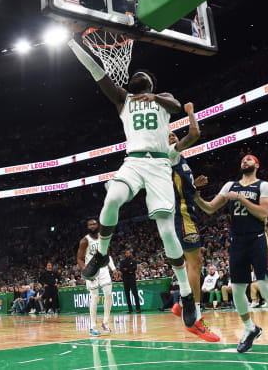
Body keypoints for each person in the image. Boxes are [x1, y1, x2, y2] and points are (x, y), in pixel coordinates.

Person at [67, 37, 196, 331]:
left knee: (166, 231)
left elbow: (176, 105)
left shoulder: (162, 98)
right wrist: (72, 44)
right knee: (111, 199)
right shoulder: (123, 100)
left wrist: (156, 98)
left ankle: (187, 296)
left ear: (149, 83)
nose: (137, 74)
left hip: (160, 164)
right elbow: (97, 72)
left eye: (143, 75)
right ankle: (102, 254)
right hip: (134, 161)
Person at [195, 155, 268, 356]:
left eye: (249, 159)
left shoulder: (264, 186)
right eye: (242, 159)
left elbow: (263, 213)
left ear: (257, 165)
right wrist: (196, 195)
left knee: (266, 286)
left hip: (258, 239)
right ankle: (250, 328)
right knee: (237, 289)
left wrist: (241, 198)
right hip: (238, 242)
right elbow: (210, 208)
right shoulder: (229, 185)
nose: (244, 161)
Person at [166, 106, 220, 341]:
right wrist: (190, 112)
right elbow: (195, 134)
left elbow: (180, 189)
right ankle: (195, 317)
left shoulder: (181, 161)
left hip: (186, 214)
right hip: (183, 216)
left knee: (192, 264)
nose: (172, 137)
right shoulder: (169, 153)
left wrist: (195, 186)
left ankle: (180, 304)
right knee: (195, 263)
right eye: (167, 136)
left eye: (173, 135)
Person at [77, 219, 116, 337]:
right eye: (90, 224)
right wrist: (86, 271)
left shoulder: (103, 238)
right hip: (92, 270)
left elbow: (108, 254)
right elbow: (79, 258)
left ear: (97, 225)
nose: (92, 226)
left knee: (108, 294)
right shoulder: (84, 241)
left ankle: (105, 322)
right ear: (87, 227)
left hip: (104, 268)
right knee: (94, 297)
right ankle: (93, 326)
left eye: (94, 224)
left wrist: (113, 269)